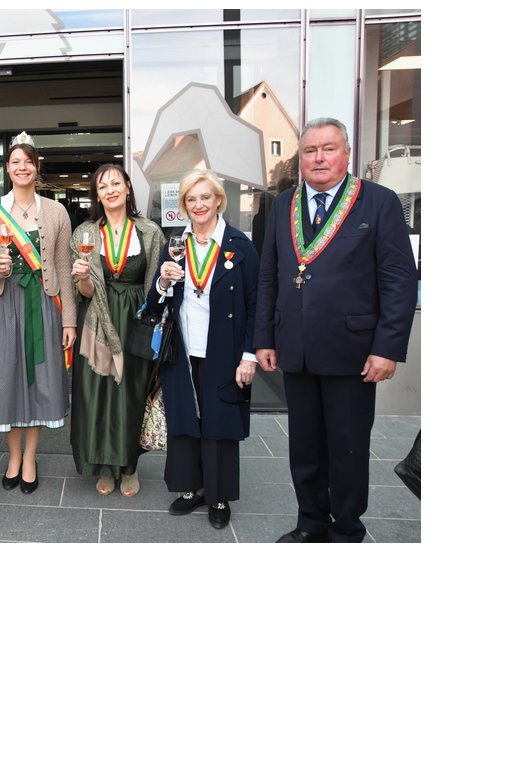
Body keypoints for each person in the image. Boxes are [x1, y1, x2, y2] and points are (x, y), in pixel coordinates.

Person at [255, 117, 417, 543]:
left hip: (354, 352)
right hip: (297, 350)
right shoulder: (282, 203)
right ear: (300, 159)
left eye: (329, 148)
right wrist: (264, 339)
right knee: (304, 451)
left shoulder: (378, 202)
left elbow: (400, 280)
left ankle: (346, 531)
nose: (319, 158)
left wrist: (388, 348)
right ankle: (310, 524)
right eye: (310, 151)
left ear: (347, 154)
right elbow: (269, 276)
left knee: (346, 451)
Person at [147, 169, 259, 529]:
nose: (198, 205)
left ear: (218, 201)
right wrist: (163, 279)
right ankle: (192, 487)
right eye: (191, 199)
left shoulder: (239, 245)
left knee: (220, 420)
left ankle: (218, 494)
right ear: (183, 205)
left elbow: (257, 304)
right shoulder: (175, 245)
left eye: (205, 198)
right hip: (182, 348)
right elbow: (154, 302)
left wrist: (250, 355)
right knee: (185, 419)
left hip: (224, 351)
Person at [0, 132, 76, 495]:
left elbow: (63, 267)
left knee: (40, 384)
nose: (22, 167)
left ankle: (30, 457)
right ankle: (12, 455)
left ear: (36, 167)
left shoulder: (57, 211)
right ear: (7, 168)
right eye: (15, 161)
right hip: (3, 305)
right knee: (7, 383)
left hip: (43, 306)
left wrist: (70, 320)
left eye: (28, 161)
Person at [69, 164, 163, 497]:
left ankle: (129, 466)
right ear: (96, 195)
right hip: (98, 317)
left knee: (131, 394)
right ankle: (103, 465)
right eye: (102, 186)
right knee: (97, 392)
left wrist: (152, 322)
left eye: (115, 183)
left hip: (135, 320)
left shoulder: (150, 231)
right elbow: (86, 292)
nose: (110, 190)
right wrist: (81, 276)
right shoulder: (84, 233)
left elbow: (155, 284)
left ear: (126, 188)